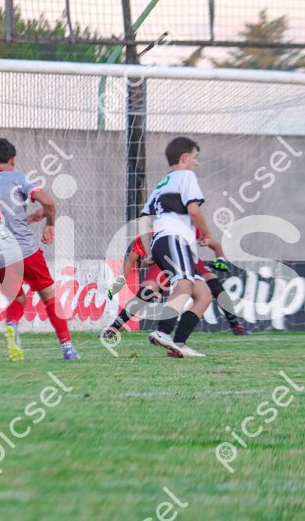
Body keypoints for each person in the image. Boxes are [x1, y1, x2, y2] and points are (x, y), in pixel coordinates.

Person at [0, 138, 78, 361]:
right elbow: (48, 203)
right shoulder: (19, 179)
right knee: (48, 295)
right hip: (23, 249)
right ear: (12, 160)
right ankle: (68, 348)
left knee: (17, 299)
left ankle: (12, 325)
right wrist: (50, 224)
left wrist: (29, 218)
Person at [101, 231, 248, 346]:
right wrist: (118, 283)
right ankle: (114, 327)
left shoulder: (187, 224)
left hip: (190, 261)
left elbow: (214, 244)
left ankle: (235, 325)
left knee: (214, 287)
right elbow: (130, 261)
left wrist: (221, 259)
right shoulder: (146, 236)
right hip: (163, 264)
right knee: (146, 292)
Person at [138, 137, 212, 358]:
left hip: (165, 242)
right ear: (185, 157)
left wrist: (149, 251)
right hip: (174, 239)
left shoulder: (162, 183)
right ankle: (163, 331)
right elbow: (194, 210)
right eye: (195, 157)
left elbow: (144, 220)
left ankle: (179, 343)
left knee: (203, 294)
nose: (196, 163)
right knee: (184, 285)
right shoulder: (186, 176)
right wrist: (206, 233)